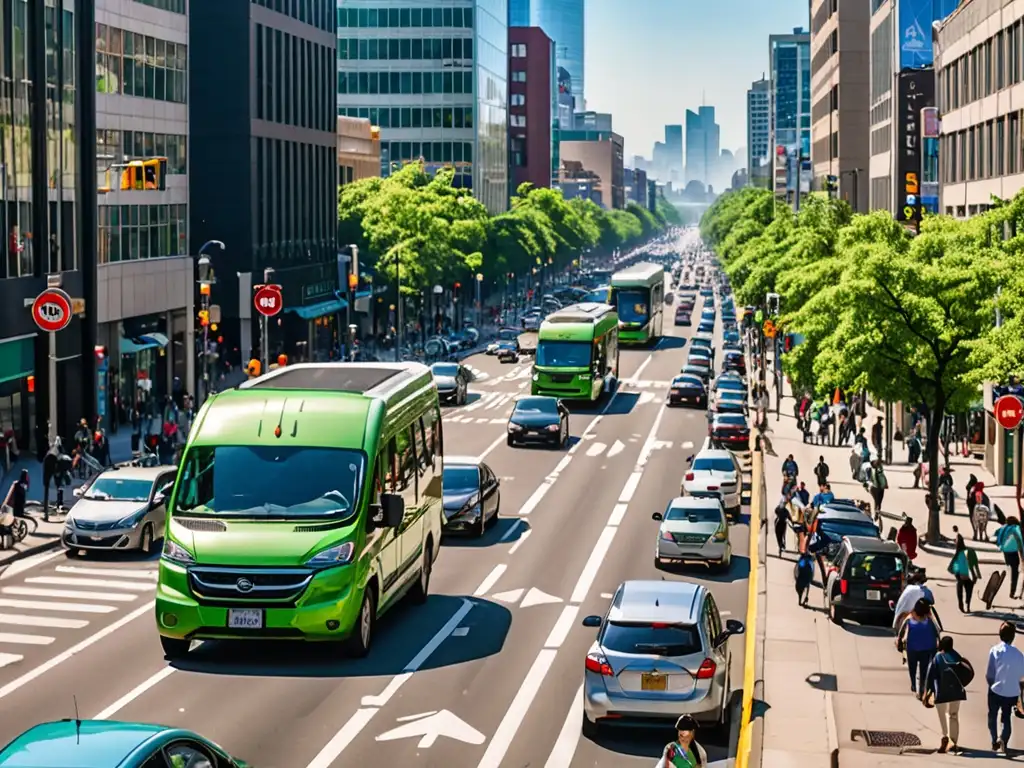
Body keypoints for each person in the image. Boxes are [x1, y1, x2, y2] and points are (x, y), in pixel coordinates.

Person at [925, 635, 971, 754]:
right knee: (953, 715)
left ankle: (945, 737)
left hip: (941, 692)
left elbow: (931, 675)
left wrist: (927, 692)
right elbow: (967, 672)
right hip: (956, 692)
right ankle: (954, 742)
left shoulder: (938, 657)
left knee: (942, 715)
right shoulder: (957, 656)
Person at [986, 621, 1024, 754]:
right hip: (1012, 692)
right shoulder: (1019, 655)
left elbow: (990, 673)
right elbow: (1022, 676)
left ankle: (994, 740)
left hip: (996, 689)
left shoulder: (995, 651)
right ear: (1013, 637)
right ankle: (1004, 740)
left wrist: (991, 685)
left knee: (992, 715)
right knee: (1006, 717)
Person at [897, 598, 940, 699]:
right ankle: (921, 689)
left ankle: (913, 684)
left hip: (912, 649)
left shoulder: (909, 620)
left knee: (912, 668)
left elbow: (901, 633)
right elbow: (937, 632)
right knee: (923, 670)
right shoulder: (930, 621)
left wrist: (899, 644)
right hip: (927, 649)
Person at [948, 535, 982, 613]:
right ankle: (967, 604)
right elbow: (974, 564)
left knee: (960, 587)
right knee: (969, 589)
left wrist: (958, 575)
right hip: (965, 575)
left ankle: (961, 604)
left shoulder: (958, 553)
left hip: (960, 574)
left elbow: (954, 566)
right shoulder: (969, 551)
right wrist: (976, 575)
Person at [995, 516, 1024, 599]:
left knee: (1013, 568)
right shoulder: (1015, 528)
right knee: (1015, 572)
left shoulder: (1003, 527)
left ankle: (1014, 591)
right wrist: (1022, 554)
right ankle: (1012, 592)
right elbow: (1019, 540)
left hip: (1005, 552)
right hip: (1013, 552)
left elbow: (996, 535)